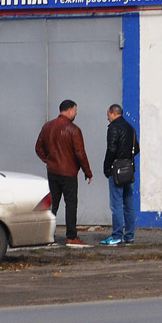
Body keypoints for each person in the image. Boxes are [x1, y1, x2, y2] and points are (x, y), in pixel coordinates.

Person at [35, 99, 94, 247]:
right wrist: (87, 171)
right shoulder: (73, 130)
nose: (76, 113)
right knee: (71, 204)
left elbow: (38, 148)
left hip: (53, 171)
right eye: (75, 110)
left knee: (52, 204)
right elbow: (80, 153)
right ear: (68, 110)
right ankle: (71, 237)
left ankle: (47, 235)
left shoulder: (47, 127)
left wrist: (48, 160)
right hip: (68, 172)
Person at [101, 103, 139, 246]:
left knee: (116, 204)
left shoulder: (113, 128)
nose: (107, 118)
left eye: (108, 115)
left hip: (116, 169)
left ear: (113, 113)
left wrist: (106, 167)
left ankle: (116, 235)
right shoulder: (131, 128)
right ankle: (129, 236)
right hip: (128, 169)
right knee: (128, 203)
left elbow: (111, 149)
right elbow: (137, 149)